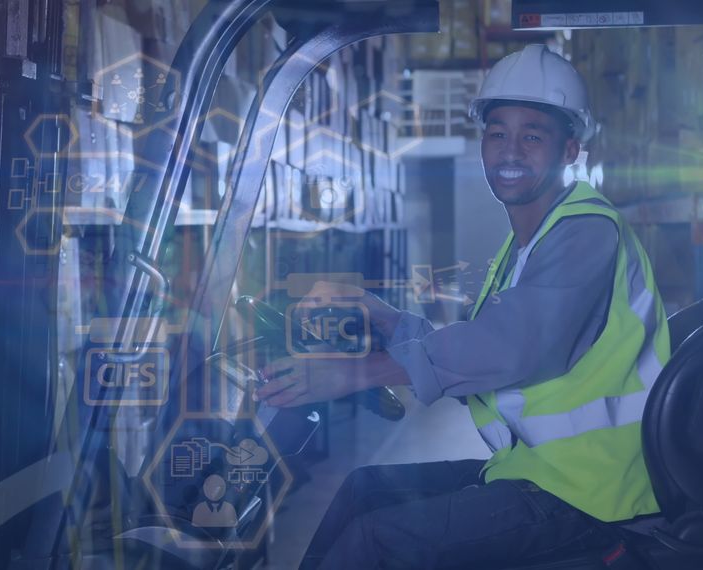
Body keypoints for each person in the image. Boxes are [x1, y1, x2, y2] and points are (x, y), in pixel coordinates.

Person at [255, 44, 670, 569]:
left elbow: (511, 348)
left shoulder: (586, 230)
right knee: (365, 489)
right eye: (498, 134)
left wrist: (350, 374)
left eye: (532, 136)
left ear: (570, 150)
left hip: (591, 495)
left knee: (376, 541)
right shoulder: (529, 244)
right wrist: (390, 320)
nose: (510, 151)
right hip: (543, 472)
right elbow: (481, 356)